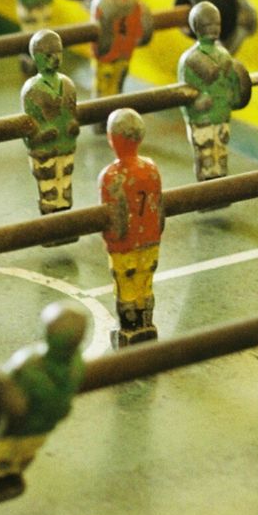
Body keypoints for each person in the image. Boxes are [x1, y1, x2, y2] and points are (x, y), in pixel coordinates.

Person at [0, 302, 86, 506]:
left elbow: (3, 385)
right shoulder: (76, 364)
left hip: (23, 424)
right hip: (45, 424)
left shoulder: (29, 363)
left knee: (6, 453)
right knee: (23, 453)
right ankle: (6, 473)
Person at [98, 108, 162, 347]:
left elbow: (113, 218)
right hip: (151, 239)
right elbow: (159, 208)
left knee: (126, 286)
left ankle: (129, 330)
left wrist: (112, 240)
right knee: (146, 282)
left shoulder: (111, 176)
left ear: (113, 139)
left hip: (124, 244)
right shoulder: (152, 169)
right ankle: (147, 325)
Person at [177, 1, 249, 184]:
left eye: (216, 24)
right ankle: (207, 191)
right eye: (208, 25)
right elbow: (182, 93)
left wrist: (233, 98)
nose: (214, 29)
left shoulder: (224, 55)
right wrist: (195, 106)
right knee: (206, 155)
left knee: (221, 153)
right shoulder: (190, 59)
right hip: (201, 119)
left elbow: (233, 81)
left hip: (222, 115)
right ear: (197, 27)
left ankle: (220, 190)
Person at [20, 29, 79, 218]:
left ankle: (65, 219)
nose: (55, 59)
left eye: (58, 53)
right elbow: (27, 129)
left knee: (65, 185)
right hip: (44, 151)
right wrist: (40, 136)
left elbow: (72, 115)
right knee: (49, 187)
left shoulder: (68, 85)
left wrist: (72, 128)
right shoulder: (31, 90)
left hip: (66, 146)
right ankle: (51, 222)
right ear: (36, 57)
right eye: (48, 55)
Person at [89, 0, 151, 98]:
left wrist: (97, 53)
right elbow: (138, 34)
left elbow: (96, 37)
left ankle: (101, 116)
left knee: (101, 92)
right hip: (125, 56)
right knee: (116, 89)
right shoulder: (134, 2)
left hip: (104, 59)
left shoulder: (101, 2)